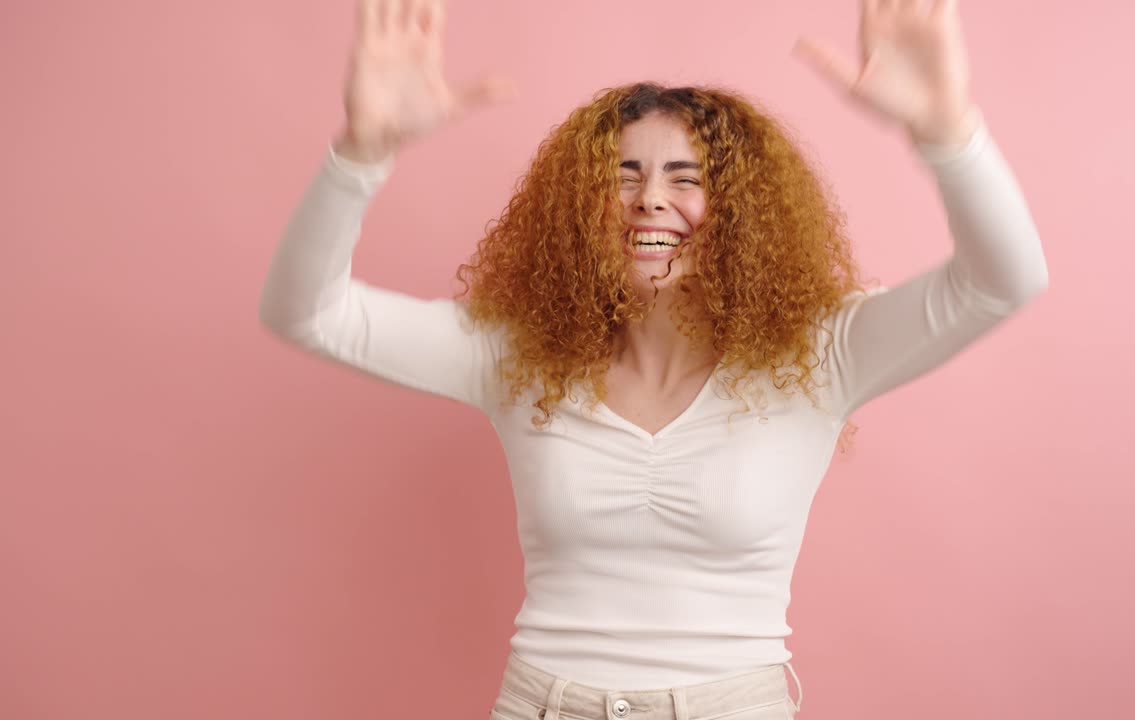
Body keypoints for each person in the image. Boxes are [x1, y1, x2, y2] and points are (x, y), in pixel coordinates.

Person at [257, 0, 1049, 718]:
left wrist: (950, 136)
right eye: (623, 175)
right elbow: (307, 313)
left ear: (741, 210)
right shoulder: (515, 356)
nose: (650, 200)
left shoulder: (823, 352)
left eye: (687, 177)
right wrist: (360, 153)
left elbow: (1001, 281)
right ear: (579, 205)